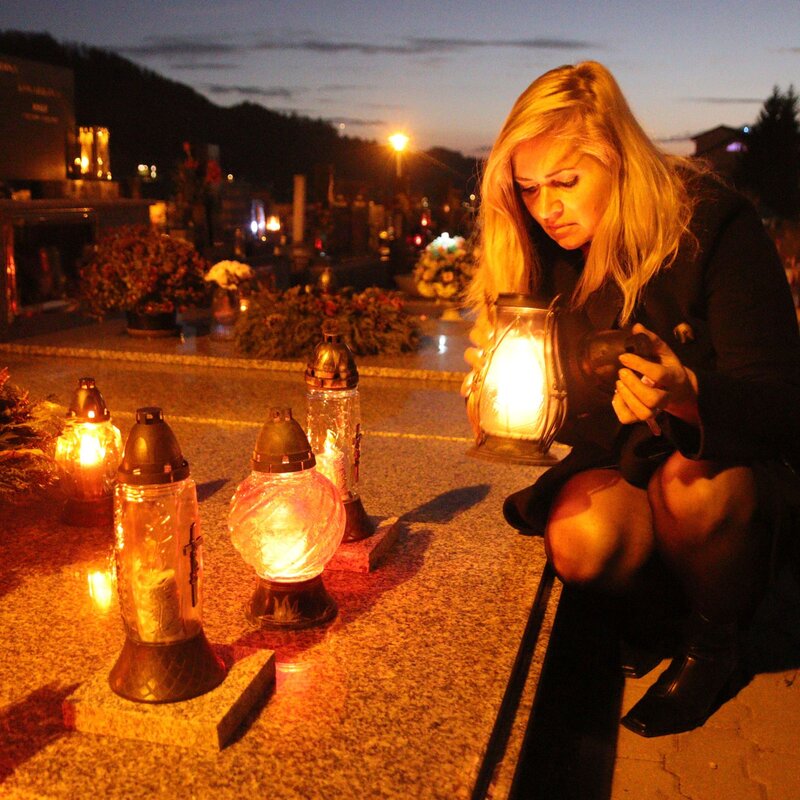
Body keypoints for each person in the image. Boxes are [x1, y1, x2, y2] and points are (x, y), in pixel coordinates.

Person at [464, 61, 800, 737]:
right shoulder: (542, 251)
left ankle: (713, 646)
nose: (546, 207)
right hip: (626, 458)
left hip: (727, 465)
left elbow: (782, 404)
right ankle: (661, 614)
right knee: (581, 540)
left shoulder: (711, 227)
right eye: (528, 189)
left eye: (566, 181)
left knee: (691, 490)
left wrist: (691, 395)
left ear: (616, 156)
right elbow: (563, 408)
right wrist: (499, 398)